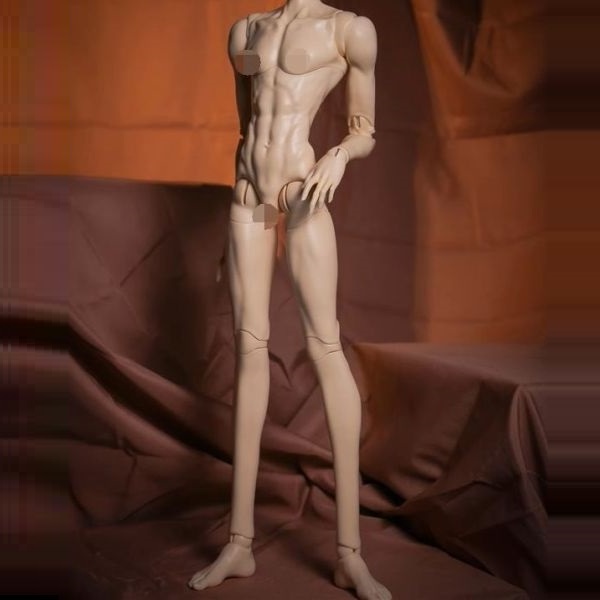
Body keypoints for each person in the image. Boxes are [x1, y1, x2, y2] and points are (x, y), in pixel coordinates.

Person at [188, 2, 390, 598]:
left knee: (325, 348)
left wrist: (339, 155)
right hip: (249, 198)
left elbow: (364, 130)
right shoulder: (246, 31)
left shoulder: (349, 31)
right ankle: (239, 543)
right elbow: (246, 125)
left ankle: (349, 554)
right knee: (248, 351)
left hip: (302, 195)